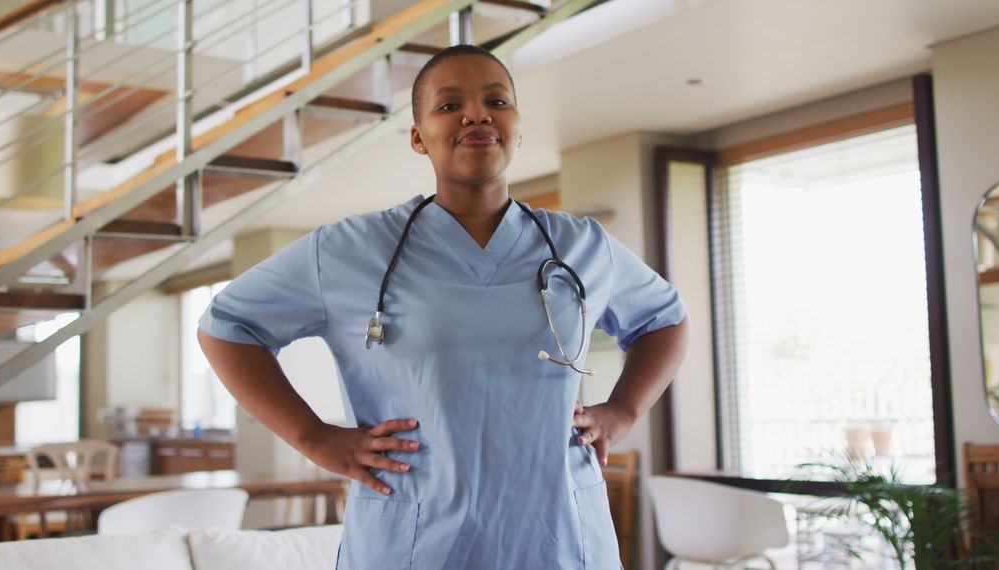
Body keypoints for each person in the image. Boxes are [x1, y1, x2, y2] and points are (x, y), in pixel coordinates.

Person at [198, 45, 689, 569]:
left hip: (560, 537)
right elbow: (227, 326)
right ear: (418, 137)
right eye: (449, 106)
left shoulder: (582, 245)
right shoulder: (349, 249)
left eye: (496, 100)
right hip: (415, 540)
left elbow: (664, 320)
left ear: (518, 128)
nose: (477, 114)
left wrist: (621, 412)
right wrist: (315, 437)